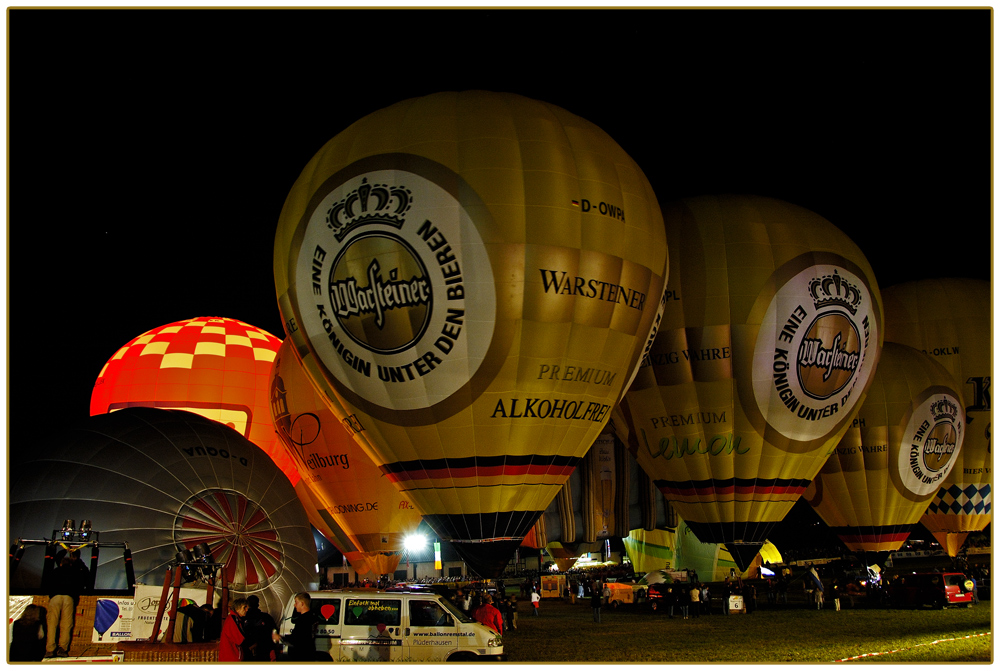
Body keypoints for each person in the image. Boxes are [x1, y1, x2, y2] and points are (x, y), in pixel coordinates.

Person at [45, 551, 89, 658]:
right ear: (70, 564)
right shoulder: (76, 572)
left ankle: (50, 649)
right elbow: (86, 576)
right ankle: (62, 649)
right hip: (69, 598)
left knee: (52, 624)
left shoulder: (55, 571)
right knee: (66, 625)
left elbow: (47, 583)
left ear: (60, 564)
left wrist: (64, 550)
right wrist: (78, 561)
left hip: (55, 597)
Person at [273, 593, 319, 661]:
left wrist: (280, 637)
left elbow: (296, 639)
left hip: (301, 655)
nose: (294, 605)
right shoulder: (313, 617)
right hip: (310, 653)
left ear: (302, 603)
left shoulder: (303, 620)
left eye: (296, 602)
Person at [242, 595, 278, 661]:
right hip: (263, 651)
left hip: (251, 651)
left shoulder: (243, 618)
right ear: (258, 604)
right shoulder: (266, 617)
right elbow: (274, 632)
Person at [218, 597, 249, 662]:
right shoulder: (233, 619)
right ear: (238, 608)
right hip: (231, 657)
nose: (246, 610)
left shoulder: (236, 619)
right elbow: (240, 639)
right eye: (244, 607)